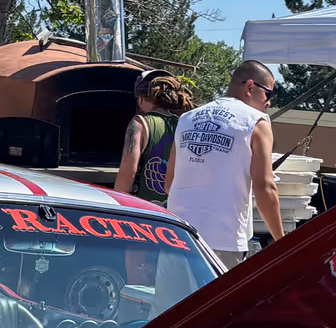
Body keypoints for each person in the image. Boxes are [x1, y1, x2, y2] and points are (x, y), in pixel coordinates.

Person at [165, 60, 284, 268]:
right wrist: (282, 242)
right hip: (223, 240)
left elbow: (170, 183)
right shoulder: (256, 121)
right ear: (250, 87)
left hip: (177, 234)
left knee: (173, 301)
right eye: (268, 94)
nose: (268, 103)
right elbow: (265, 187)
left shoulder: (186, 118)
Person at [114, 69, 196, 204]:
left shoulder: (139, 123)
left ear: (140, 99)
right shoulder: (184, 124)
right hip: (174, 210)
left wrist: (116, 207)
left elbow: (127, 174)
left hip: (145, 210)